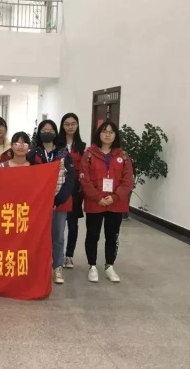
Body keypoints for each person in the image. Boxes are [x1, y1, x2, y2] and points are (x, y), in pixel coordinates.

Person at [80, 121, 133, 283]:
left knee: (112, 236)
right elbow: (84, 179)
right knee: (92, 235)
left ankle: (109, 266)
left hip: (115, 204)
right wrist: (97, 198)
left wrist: (114, 197)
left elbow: (127, 181)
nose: (108, 134)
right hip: (95, 202)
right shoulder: (89, 154)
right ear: (99, 134)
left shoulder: (123, 156)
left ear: (115, 135)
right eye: (104, 131)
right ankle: (92, 266)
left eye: (111, 132)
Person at [28, 120, 75, 285]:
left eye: (50, 130)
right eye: (44, 130)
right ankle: (38, 268)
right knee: (38, 236)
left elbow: (70, 179)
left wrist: (58, 199)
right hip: (38, 203)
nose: (47, 133)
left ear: (55, 133)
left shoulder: (64, 154)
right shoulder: (33, 153)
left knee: (58, 236)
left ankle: (57, 267)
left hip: (58, 202)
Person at [58, 113, 86, 269]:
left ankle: (69, 256)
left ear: (77, 125)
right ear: (62, 126)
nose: (70, 127)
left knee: (73, 224)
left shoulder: (82, 146)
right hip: (59, 188)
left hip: (75, 190)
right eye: (67, 124)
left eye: (73, 123)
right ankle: (57, 255)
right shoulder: (58, 144)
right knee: (58, 224)